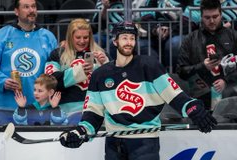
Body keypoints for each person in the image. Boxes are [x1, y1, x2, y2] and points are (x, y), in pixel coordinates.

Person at [59, 21, 217, 160]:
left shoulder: (150, 66)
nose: (129, 42)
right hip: (114, 143)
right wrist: (80, 132)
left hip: (145, 143)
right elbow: (93, 113)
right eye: (124, 38)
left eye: (132, 38)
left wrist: (193, 109)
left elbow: (174, 95)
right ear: (115, 41)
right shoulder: (100, 74)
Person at [0, 0, 57, 125]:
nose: (31, 10)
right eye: (26, 7)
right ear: (16, 11)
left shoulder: (48, 37)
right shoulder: (2, 35)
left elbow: (56, 71)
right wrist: (2, 81)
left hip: (40, 109)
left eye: (33, 6)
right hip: (6, 108)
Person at [45, 18, 109, 124]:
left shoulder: (101, 54)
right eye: (78, 37)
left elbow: (114, 82)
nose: (82, 41)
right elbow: (50, 81)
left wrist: (106, 64)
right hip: (65, 114)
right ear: (70, 37)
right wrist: (78, 72)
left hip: (96, 112)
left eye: (86, 37)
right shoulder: (57, 54)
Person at [176, 0, 237, 111]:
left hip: (230, 97)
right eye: (207, 18)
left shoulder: (233, 36)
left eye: (215, 16)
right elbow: (181, 71)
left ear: (221, 14)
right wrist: (202, 66)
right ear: (201, 16)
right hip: (200, 97)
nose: (212, 21)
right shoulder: (190, 39)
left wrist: (226, 80)